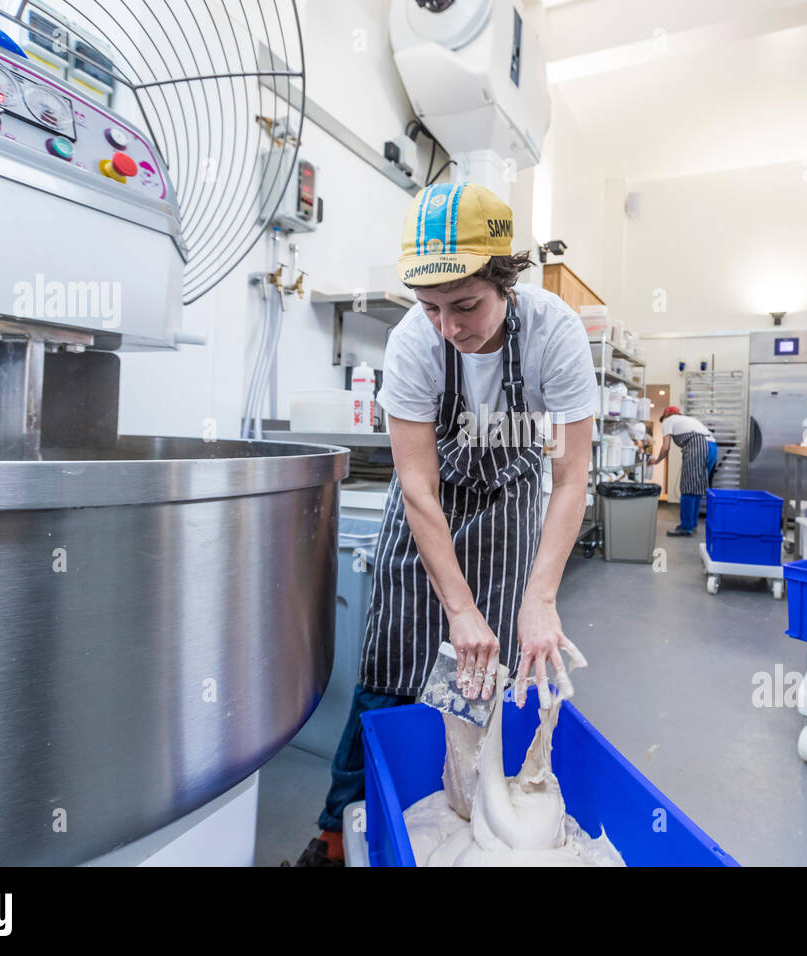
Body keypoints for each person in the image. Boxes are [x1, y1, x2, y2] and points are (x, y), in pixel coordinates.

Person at [293, 182, 596, 867]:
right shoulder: (415, 344)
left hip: (510, 507)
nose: (449, 328)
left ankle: (469, 802)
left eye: (465, 306)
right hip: (427, 514)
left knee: (483, 675)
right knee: (390, 673)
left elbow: (572, 477)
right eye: (430, 309)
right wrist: (456, 607)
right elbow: (419, 486)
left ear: (506, 280)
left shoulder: (554, 334)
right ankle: (339, 835)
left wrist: (541, 598)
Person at [649, 406, 718, 537]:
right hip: (712, 446)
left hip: (698, 446)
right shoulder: (687, 419)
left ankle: (685, 527)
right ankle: (692, 525)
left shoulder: (668, 420)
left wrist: (657, 460)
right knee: (697, 489)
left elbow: (666, 447)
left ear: (665, 415)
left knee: (688, 488)